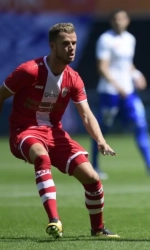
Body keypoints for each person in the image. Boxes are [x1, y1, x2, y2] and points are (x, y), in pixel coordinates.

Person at [0, 23, 120, 239]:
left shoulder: (73, 78)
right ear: (52, 46)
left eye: (74, 43)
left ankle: (98, 229)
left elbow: (86, 114)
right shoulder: (29, 71)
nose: (71, 48)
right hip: (24, 131)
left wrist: (100, 140)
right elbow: (1, 95)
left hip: (55, 133)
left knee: (92, 178)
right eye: (66, 44)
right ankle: (54, 220)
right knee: (41, 157)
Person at [92, 9, 150, 179]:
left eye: (121, 18)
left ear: (127, 20)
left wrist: (137, 74)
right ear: (111, 21)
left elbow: (127, 64)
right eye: (115, 19)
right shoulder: (106, 39)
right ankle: (94, 166)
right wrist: (116, 85)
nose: (118, 22)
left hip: (128, 92)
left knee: (140, 124)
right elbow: (102, 67)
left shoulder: (130, 39)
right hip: (110, 92)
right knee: (102, 129)